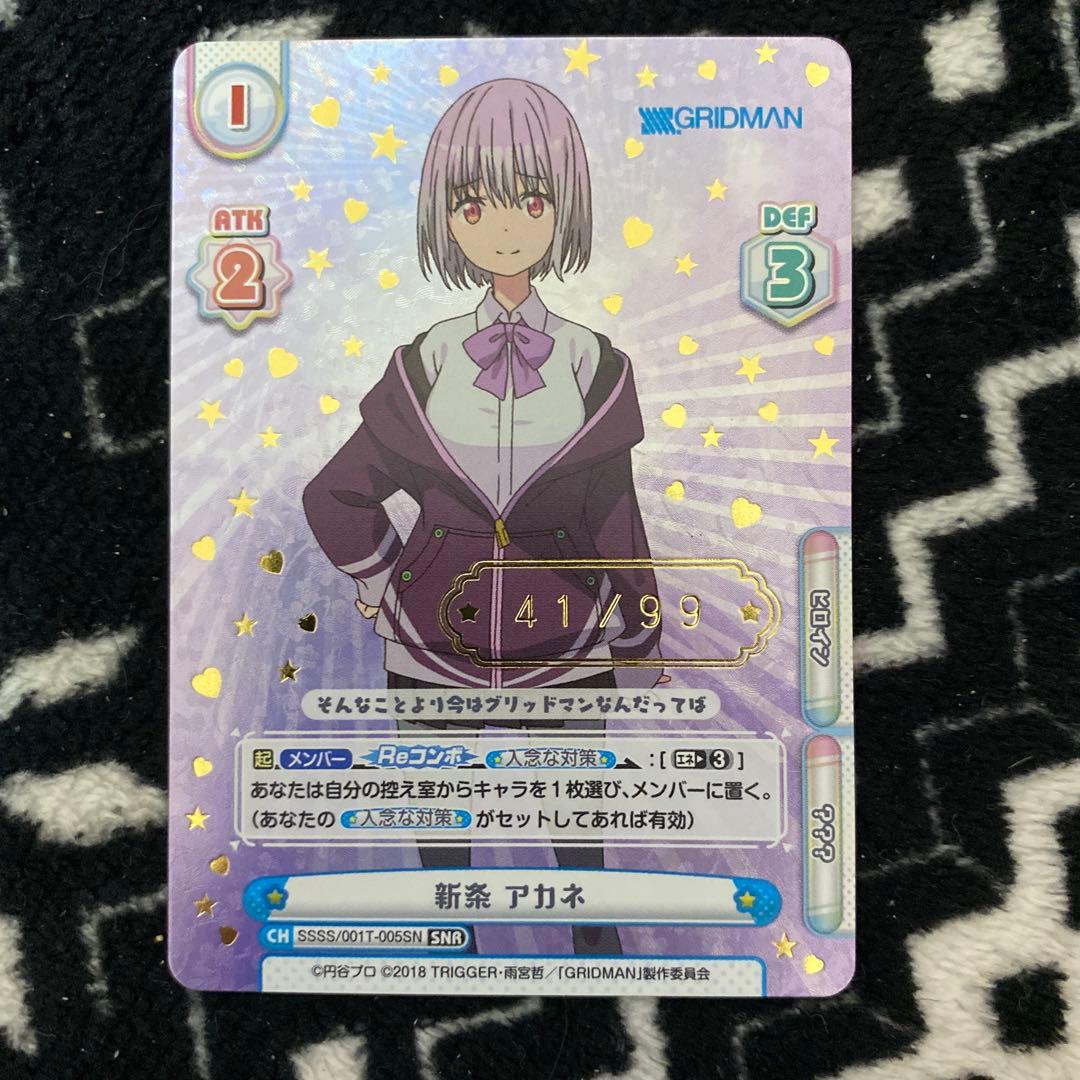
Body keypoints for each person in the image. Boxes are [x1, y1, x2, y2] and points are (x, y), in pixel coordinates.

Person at [304, 78, 662, 955]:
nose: (504, 227)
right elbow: (336, 491)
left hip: (566, 638)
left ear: (563, 209)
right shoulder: (425, 362)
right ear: (447, 218)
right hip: (430, 641)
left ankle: (596, 957)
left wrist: (640, 630)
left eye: (531, 200)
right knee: (439, 832)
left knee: (579, 826)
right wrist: (386, 578)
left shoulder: (592, 362)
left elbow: (614, 511)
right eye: (474, 205)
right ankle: (444, 956)